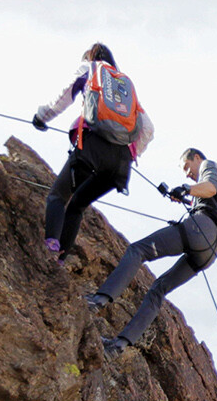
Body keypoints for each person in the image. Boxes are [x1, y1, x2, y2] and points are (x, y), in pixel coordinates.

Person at [86, 147, 217, 356]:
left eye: (187, 167)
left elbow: (209, 188)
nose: (188, 174)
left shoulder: (209, 166)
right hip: (210, 253)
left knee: (137, 250)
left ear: (197, 158)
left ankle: (98, 300)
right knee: (158, 290)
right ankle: (118, 346)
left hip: (199, 229)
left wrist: (185, 188)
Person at [33, 44, 149, 260]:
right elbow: (148, 128)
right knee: (78, 205)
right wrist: (131, 155)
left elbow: (66, 94)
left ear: (90, 57)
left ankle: (50, 247)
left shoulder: (92, 69)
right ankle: (61, 259)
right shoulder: (125, 83)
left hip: (92, 148)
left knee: (58, 196)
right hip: (120, 164)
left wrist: (42, 117)